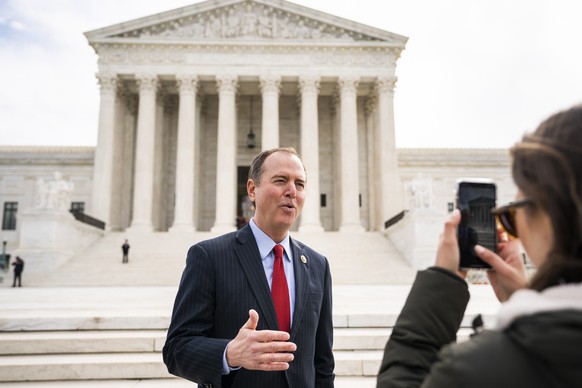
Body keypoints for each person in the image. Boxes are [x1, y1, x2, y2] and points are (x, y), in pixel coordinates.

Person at [377, 105, 582, 388]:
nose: (514, 229)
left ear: (551, 218)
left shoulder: (482, 370)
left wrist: (441, 283)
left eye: (511, 215)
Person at [163, 147, 335, 388]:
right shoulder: (209, 257)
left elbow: (323, 363)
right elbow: (176, 350)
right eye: (281, 180)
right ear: (252, 190)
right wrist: (229, 354)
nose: (292, 192)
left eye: (300, 184)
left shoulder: (318, 265)